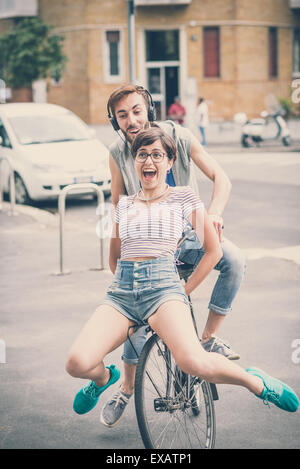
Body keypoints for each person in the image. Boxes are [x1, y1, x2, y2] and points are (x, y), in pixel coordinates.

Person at [65, 127, 299, 427]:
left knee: (192, 362)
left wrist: (182, 289)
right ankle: (102, 380)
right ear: (134, 161)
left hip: (164, 291)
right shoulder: (123, 205)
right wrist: (128, 291)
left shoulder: (183, 198)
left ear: (169, 161)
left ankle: (256, 382)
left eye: (157, 155)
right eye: (142, 154)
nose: (149, 161)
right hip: (122, 294)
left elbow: (212, 251)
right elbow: (115, 258)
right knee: (77, 363)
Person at [102, 83, 245, 427]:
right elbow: (116, 202)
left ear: (147, 109)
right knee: (135, 317)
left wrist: (214, 213)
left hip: (191, 239)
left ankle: (207, 339)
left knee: (233, 261)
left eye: (136, 110)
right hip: (150, 249)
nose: (131, 119)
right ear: (115, 121)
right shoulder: (116, 152)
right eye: (123, 115)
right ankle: (125, 387)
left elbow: (221, 178)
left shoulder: (177, 136)